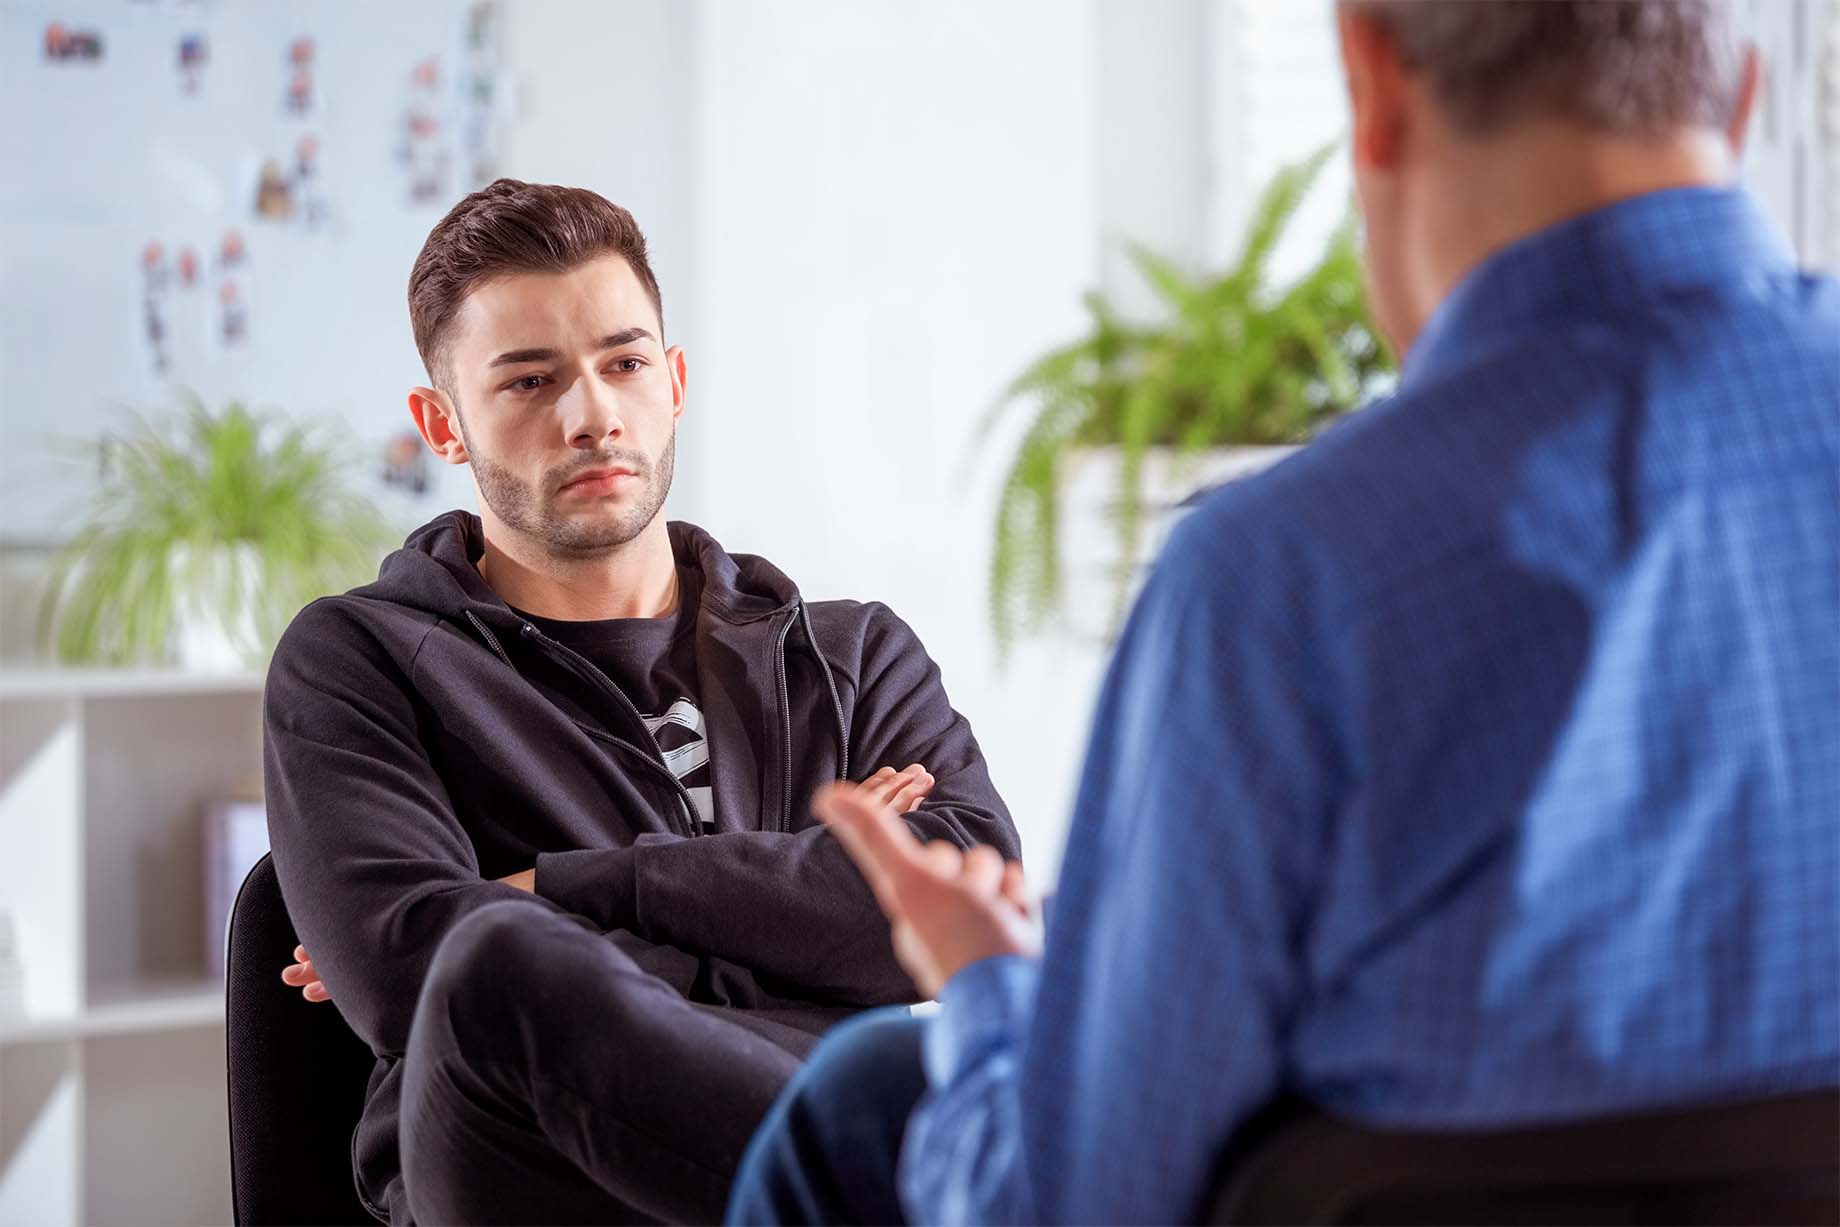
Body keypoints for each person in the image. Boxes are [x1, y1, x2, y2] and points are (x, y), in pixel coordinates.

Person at [725, 2, 1840, 1223]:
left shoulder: (1281, 579)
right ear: (1741, 97)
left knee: (871, 1094)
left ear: (1371, 82)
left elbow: (1073, 1204)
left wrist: (986, 983)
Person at [261, 179, 1021, 1225]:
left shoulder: (851, 653)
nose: (591, 416)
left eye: (621, 364)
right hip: (547, 1180)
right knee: (495, 967)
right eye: (528, 383)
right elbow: (403, 974)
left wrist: (560, 886)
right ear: (443, 424)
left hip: (834, 1119)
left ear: (671, 380)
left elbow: (972, 895)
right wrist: (799, 905)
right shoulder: (359, 658)